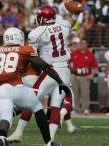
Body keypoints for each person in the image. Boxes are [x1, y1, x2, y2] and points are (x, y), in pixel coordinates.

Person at [8, 4, 84, 143]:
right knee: (55, 106)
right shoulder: (63, 25)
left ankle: (18, 133)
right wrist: (76, 14)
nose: (37, 19)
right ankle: (49, 141)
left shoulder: (37, 32)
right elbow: (71, 22)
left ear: (43, 17)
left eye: (38, 17)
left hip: (51, 71)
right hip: (65, 72)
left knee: (31, 100)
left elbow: (31, 54)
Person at [0, 27, 71, 146]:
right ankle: (48, 143)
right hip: (16, 87)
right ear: (19, 38)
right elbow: (45, 67)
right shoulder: (24, 50)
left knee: (5, 117)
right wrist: (59, 81)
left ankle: (2, 137)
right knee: (37, 107)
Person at [71, 39, 98, 114]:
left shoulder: (90, 54)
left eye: (84, 43)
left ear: (87, 45)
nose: (82, 45)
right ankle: (75, 109)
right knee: (74, 93)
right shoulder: (74, 53)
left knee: (85, 94)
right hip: (75, 76)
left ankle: (85, 108)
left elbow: (95, 66)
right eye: (81, 43)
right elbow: (68, 61)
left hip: (85, 76)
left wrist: (92, 74)